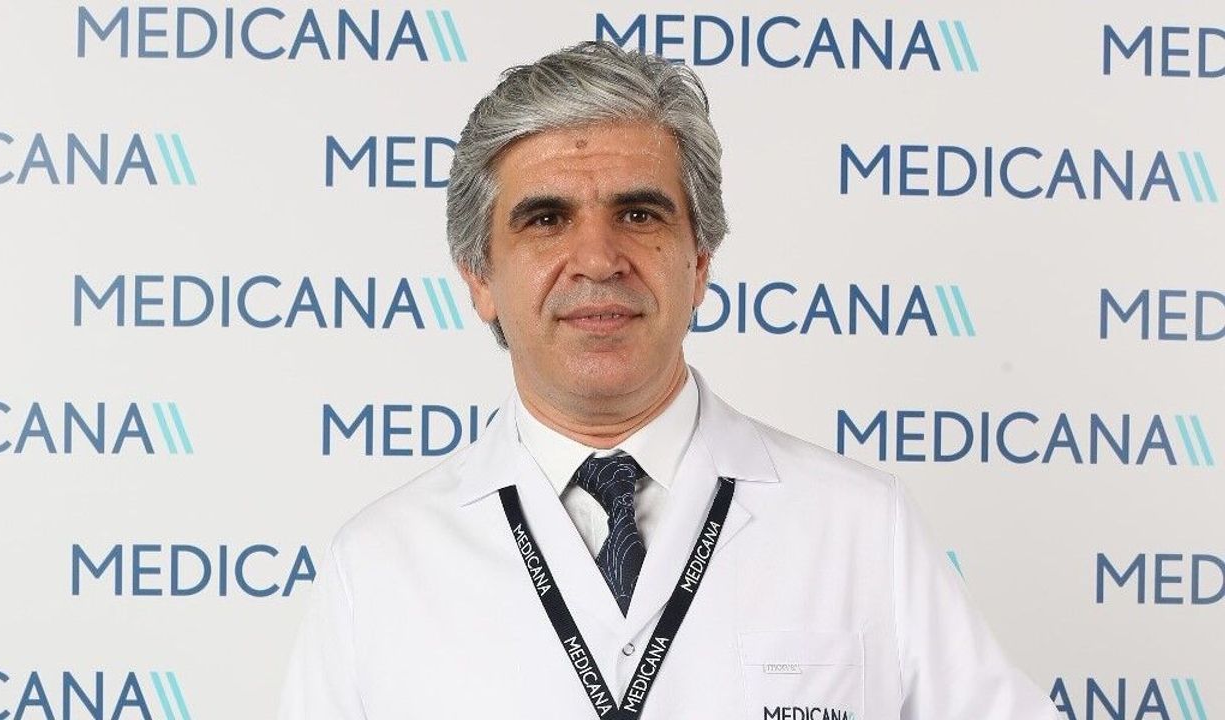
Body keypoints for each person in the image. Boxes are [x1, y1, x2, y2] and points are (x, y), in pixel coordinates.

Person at [279, 41, 1058, 720]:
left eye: (639, 215)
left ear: (700, 264)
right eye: (546, 219)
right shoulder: (377, 566)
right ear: (480, 279)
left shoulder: (861, 527)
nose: (598, 259)